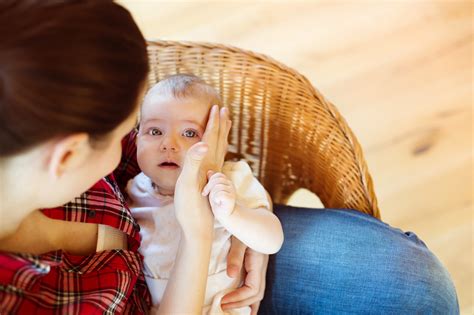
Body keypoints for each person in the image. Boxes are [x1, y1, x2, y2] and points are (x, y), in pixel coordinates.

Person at [0, 1, 459, 314]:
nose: (151, 140)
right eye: (138, 131)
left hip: (227, 273)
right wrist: (198, 233)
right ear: (67, 156)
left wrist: (238, 220)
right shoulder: (21, 293)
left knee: (415, 285)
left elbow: (263, 232)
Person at [125, 74, 284, 314]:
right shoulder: (131, 193)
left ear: (219, 140)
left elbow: (272, 240)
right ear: (136, 138)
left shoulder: (229, 181)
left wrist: (233, 213)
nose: (168, 144)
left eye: (189, 133)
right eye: (155, 131)